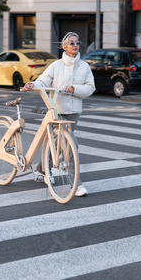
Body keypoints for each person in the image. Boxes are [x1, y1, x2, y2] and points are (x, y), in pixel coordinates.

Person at [24, 32, 95, 197]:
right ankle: (76, 184)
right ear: (64, 46)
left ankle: (42, 168)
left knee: (57, 145)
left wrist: (75, 89)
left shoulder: (84, 67)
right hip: (57, 111)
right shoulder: (56, 65)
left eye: (77, 42)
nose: (75, 45)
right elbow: (43, 81)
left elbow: (91, 87)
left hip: (74, 113)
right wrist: (32, 85)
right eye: (71, 43)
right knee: (71, 147)